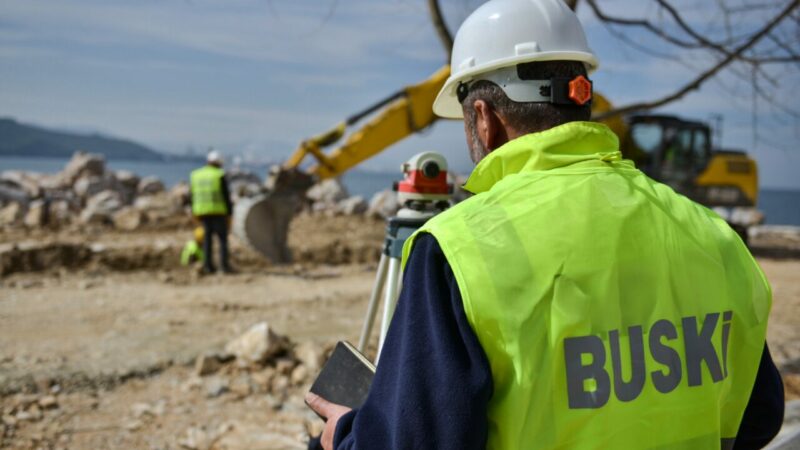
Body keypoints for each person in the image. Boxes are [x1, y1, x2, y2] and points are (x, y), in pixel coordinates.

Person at [305, 0, 784, 449]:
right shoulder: (711, 235)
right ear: (581, 99)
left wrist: (346, 435)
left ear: (483, 117)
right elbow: (758, 416)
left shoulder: (457, 249)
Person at [190, 150, 234, 274]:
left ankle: (208, 266)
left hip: (203, 212)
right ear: (219, 162)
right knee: (222, 240)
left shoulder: (196, 175)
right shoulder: (219, 174)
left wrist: (194, 212)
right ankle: (224, 267)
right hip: (219, 212)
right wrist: (230, 214)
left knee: (207, 240)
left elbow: (192, 195)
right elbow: (226, 196)